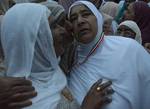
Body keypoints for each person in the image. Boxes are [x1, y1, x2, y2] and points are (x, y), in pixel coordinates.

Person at [68, 1, 150, 109]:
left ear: (97, 17)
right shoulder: (70, 64)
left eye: (86, 14)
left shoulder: (129, 49)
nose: (80, 21)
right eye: (73, 18)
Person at [1, 3, 67, 109]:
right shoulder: (22, 99)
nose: (63, 30)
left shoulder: (47, 67)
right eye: (53, 26)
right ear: (32, 39)